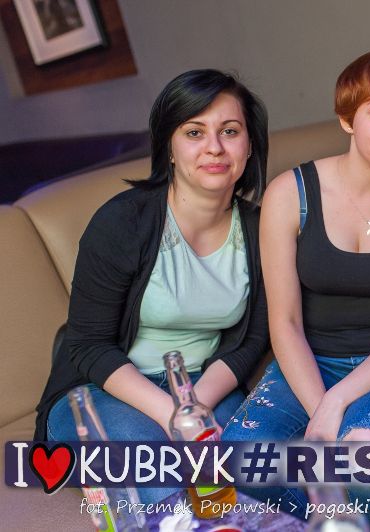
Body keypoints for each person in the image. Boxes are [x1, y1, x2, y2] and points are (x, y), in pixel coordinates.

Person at [223, 48, 370, 530]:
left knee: (365, 466)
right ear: (348, 119)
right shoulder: (290, 193)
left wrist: (338, 402)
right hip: (312, 357)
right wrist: (321, 411)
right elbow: (285, 322)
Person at [36, 69, 270, 504]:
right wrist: (173, 416)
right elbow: (88, 346)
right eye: (194, 132)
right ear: (169, 147)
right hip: (105, 389)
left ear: (250, 144)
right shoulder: (122, 222)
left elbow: (254, 339)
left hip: (203, 384)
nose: (215, 147)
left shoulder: (261, 228)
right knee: (165, 483)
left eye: (230, 131)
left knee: (258, 476)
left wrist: (195, 409)